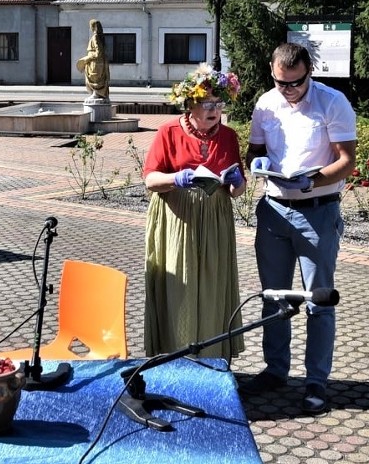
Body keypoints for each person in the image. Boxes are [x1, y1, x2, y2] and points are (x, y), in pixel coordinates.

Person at [239, 42, 357, 415]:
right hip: (273, 210)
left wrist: (314, 181)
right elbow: (253, 152)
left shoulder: (332, 102)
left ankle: (316, 383)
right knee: (275, 297)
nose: (288, 90)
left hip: (317, 212)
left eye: (295, 83)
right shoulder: (266, 103)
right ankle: (276, 371)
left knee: (318, 301)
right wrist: (257, 164)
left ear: (309, 73)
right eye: (280, 82)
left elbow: (347, 161)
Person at [142, 63, 246, 359]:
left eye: (218, 103)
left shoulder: (227, 137)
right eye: (206, 103)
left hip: (215, 220)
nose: (214, 109)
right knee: (180, 289)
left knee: (213, 289)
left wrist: (237, 182)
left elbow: (237, 191)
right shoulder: (168, 132)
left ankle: (212, 358)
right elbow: (150, 179)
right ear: (190, 105)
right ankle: (176, 359)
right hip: (178, 218)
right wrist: (175, 179)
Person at [75, 19, 110, 100]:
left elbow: (98, 52)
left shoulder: (95, 37)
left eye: (91, 26)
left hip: (95, 62)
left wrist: (87, 58)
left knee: (94, 78)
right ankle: (100, 94)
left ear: (93, 27)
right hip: (101, 61)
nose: (90, 28)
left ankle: (96, 93)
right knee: (99, 78)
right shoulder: (101, 37)